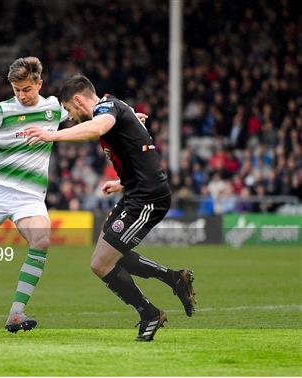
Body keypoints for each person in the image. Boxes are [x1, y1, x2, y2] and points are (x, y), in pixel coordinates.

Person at [0, 58, 148, 333]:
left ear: (39, 84)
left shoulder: (53, 108)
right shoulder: (1, 111)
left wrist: (128, 121)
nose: (21, 95)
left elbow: (91, 116)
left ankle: (16, 314)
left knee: (41, 240)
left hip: (29, 197)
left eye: (27, 89)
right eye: (17, 90)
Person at [26, 75, 196, 341]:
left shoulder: (106, 111)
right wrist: (122, 182)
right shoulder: (116, 106)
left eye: (69, 110)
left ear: (79, 100)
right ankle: (173, 279)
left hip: (148, 198)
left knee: (101, 263)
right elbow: (135, 148)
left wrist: (51, 135)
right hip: (135, 193)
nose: (70, 117)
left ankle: (149, 312)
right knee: (107, 257)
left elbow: (97, 128)